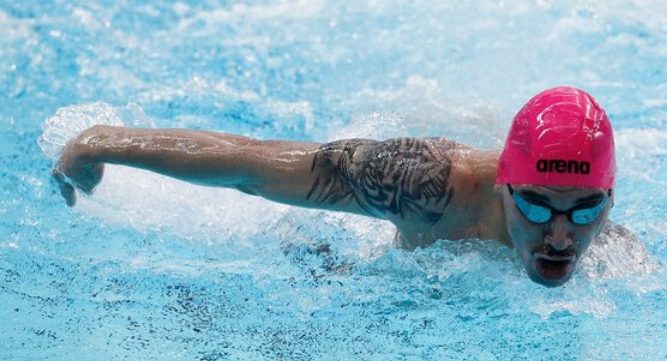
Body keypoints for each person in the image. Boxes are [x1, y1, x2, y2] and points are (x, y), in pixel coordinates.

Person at [53, 86, 623, 287]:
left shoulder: (616, 256)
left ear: (608, 201)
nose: (559, 237)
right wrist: (104, 143)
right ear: (503, 183)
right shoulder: (423, 186)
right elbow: (254, 165)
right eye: (535, 207)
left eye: (582, 213)